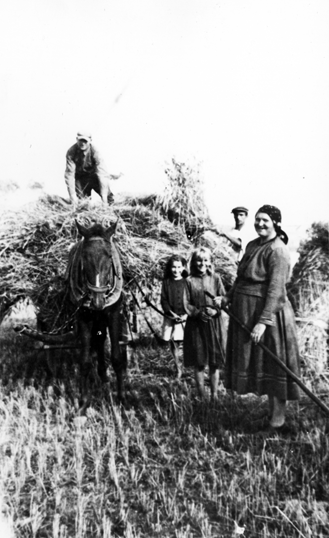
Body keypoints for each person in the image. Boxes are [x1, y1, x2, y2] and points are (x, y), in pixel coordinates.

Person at [222, 205, 300, 428]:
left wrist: (263, 322)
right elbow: (241, 278)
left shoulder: (278, 250)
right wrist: (228, 296)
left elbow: (276, 290)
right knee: (262, 365)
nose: (260, 224)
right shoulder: (252, 245)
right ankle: (272, 415)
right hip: (247, 313)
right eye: (257, 220)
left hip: (270, 317)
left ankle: (278, 420)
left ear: (276, 222)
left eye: (265, 220)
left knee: (275, 366)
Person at [183, 247, 225, 400]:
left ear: (210, 262)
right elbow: (186, 303)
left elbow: (223, 299)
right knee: (199, 362)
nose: (202, 263)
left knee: (214, 362)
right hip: (196, 326)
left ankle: (214, 396)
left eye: (205, 260)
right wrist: (198, 313)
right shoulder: (188, 281)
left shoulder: (215, 278)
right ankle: (201, 396)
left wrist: (216, 311)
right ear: (194, 262)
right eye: (199, 260)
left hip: (214, 325)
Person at [64, 130, 121, 206]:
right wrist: (72, 195)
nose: (82, 143)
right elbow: (69, 174)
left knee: (108, 198)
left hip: (94, 177)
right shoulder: (71, 152)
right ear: (76, 139)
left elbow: (102, 174)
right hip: (81, 179)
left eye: (85, 141)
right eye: (81, 140)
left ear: (90, 141)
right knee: (83, 204)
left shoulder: (95, 152)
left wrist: (104, 197)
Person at [160, 255, 188, 379]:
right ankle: (178, 368)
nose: (176, 270)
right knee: (173, 343)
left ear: (183, 267)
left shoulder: (187, 282)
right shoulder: (166, 283)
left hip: (185, 317)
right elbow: (164, 300)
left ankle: (189, 365)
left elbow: (191, 300)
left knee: (185, 342)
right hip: (171, 317)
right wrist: (171, 313)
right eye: (173, 267)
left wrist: (186, 314)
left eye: (178, 267)